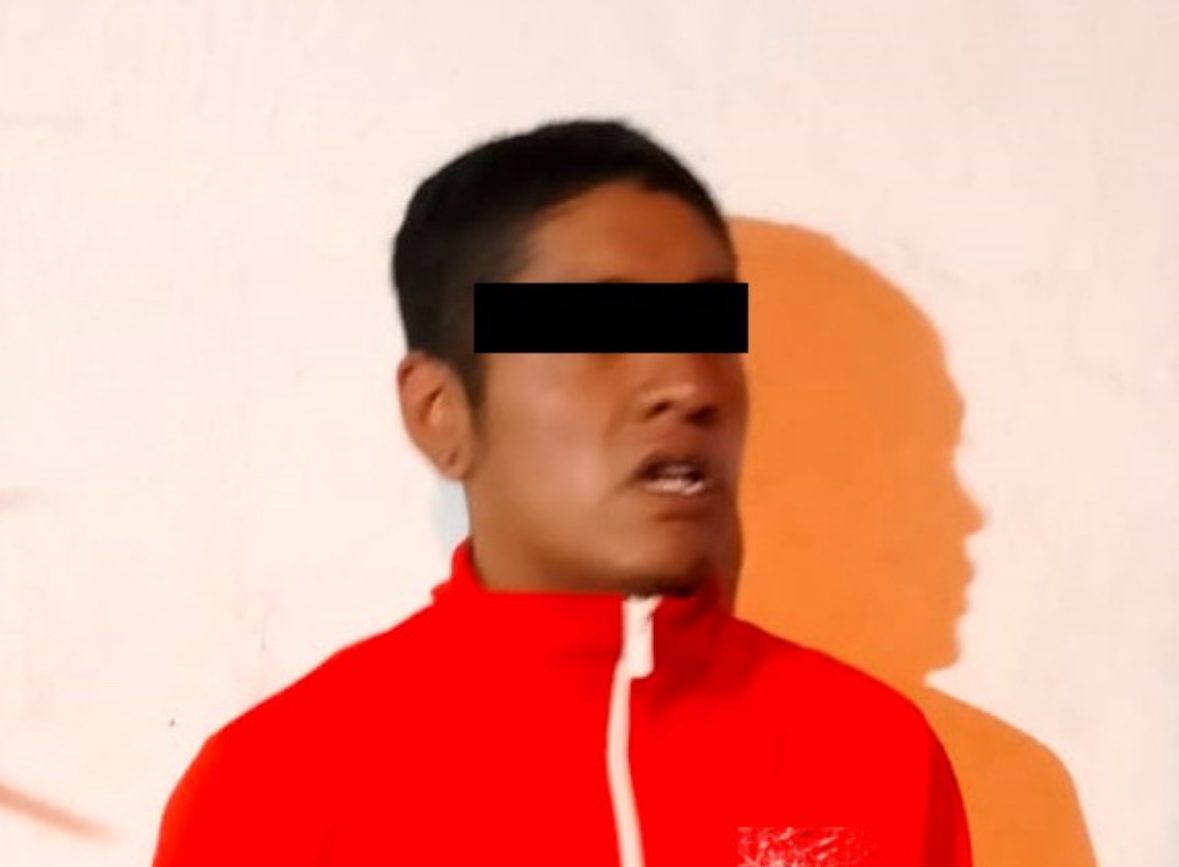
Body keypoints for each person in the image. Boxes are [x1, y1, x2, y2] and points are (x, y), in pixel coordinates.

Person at [151, 119, 972, 867]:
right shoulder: (274, 793)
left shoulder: (873, 756)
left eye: (708, 332)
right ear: (440, 412)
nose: (689, 384)